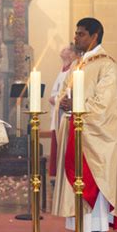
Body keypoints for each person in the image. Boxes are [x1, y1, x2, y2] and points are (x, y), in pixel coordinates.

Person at [52, 17, 117, 232]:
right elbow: (64, 92)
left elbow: (106, 104)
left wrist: (78, 107)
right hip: (75, 131)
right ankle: (80, 230)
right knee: (75, 180)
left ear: (95, 36)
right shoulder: (79, 64)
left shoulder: (107, 65)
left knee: (91, 179)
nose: (76, 38)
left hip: (95, 137)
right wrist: (63, 102)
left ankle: (96, 231)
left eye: (81, 34)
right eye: (76, 33)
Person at [48, 44, 80, 180]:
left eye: (66, 49)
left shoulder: (72, 70)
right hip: (57, 111)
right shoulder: (63, 69)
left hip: (64, 111)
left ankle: (62, 174)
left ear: (72, 54)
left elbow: (67, 93)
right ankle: (56, 174)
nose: (62, 50)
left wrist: (56, 99)